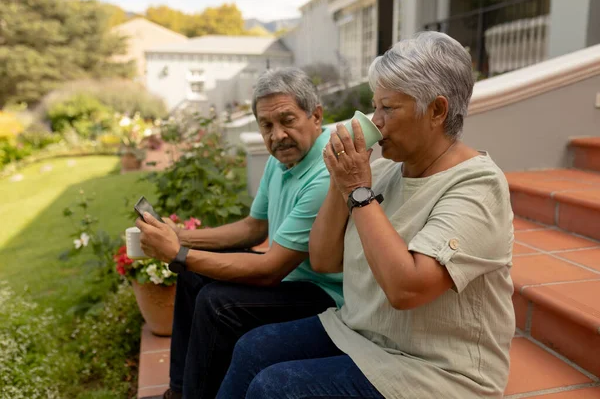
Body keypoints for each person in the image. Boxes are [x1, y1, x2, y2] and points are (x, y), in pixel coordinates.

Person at [216, 31, 515, 399]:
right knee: (252, 348)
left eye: (388, 108)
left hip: (435, 371)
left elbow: (407, 289)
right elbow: (324, 259)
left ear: (436, 110)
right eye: (375, 107)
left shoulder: (478, 185)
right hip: (361, 334)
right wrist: (339, 183)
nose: (376, 120)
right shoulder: (388, 173)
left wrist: (358, 190)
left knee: (276, 389)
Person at [136, 67, 344, 399]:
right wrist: (177, 235)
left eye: (287, 120)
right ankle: (178, 392)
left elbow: (270, 269)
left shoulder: (323, 172)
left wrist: (178, 253)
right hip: (290, 277)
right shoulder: (283, 159)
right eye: (266, 126)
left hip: (326, 295)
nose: (277, 136)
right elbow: (253, 227)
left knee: (217, 303)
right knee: (192, 279)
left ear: (316, 116)